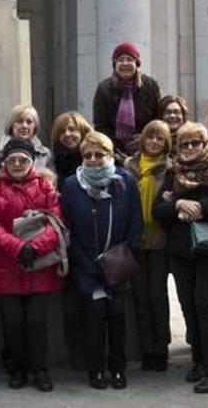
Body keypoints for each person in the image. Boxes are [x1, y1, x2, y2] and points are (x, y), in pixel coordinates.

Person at [154, 122, 208, 393]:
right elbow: (159, 210)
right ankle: (201, 360)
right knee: (190, 307)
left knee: (207, 306)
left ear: (207, 145)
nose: (190, 149)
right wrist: (178, 204)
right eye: (184, 144)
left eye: (196, 143)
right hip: (182, 251)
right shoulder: (174, 172)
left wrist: (202, 206)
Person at [61, 132, 142, 390]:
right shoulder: (72, 185)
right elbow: (68, 226)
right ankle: (96, 369)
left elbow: (135, 222)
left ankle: (118, 368)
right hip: (86, 264)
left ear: (110, 155)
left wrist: (125, 254)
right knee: (94, 319)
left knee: (117, 317)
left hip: (118, 264)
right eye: (88, 155)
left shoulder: (125, 182)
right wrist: (86, 262)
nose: (94, 160)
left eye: (100, 154)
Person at [0, 138, 63, 392]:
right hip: (7, 266)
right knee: (13, 323)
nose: (17, 164)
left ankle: (40, 369)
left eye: (23, 160)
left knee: (37, 322)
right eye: (12, 160)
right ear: (5, 163)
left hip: (40, 266)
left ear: (32, 162)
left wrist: (36, 247)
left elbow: (57, 222)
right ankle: (17, 369)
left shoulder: (46, 187)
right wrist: (18, 247)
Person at [46, 111, 93, 370]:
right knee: (71, 301)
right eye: (62, 131)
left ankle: (96, 350)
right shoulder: (53, 164)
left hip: (93, 239)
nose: (68, 135)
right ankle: (76, 351)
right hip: (65, 240)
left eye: (73, 129)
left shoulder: (94, 159)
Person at [125, 120, 172, 372]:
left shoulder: (170, 169)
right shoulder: (129, 167)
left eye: (160, 139)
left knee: (157, 296)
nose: (154, 142)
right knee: (140, 297)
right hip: (136, 240)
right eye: (150, 137)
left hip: (160, 241)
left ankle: (160, 347)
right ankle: (146, 348)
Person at [93, 42, 162, 160]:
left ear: (137, 63)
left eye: (129, 59)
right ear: (115, 64)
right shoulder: (104, 89)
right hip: (114, 151)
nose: (125, 63)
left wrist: (146, 138)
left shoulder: (150, 86)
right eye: (120, 60)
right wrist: (115, 148)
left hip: (148, 148)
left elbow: (159, 119)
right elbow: (101, 125)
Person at [0, 104, 52, 170]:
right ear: (11, 124)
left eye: (29, 122)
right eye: (19, 121)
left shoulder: (45, 155)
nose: (24, 126)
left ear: (35, 126)